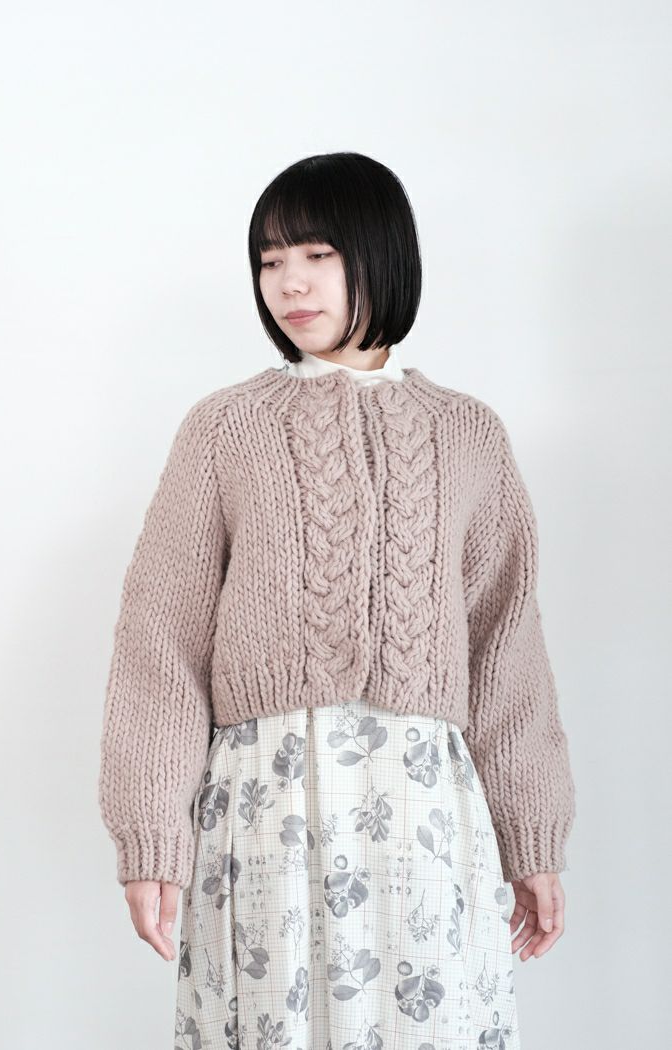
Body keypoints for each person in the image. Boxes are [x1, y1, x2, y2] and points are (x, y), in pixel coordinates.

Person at [98, 151, 576, 1050]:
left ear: (382, 254)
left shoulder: (469, 434)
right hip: (266, 811)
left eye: (317, 254)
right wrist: (150, 833)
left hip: (425, 816)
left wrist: (533, 839)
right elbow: (161, 639)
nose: (290, 282)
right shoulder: (225, 428)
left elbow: (506, 651)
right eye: (270, 260)